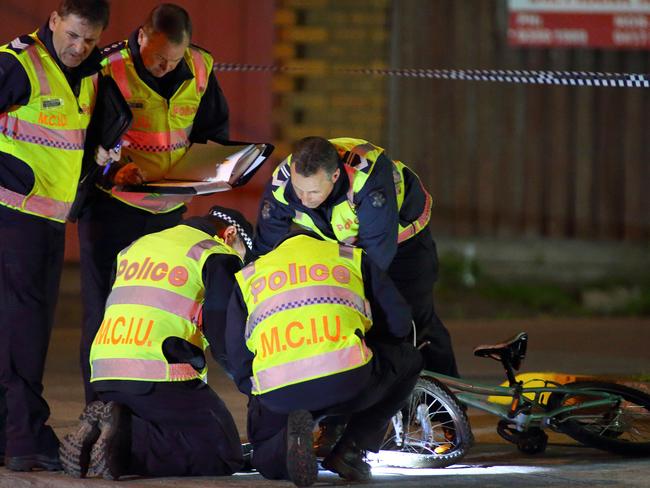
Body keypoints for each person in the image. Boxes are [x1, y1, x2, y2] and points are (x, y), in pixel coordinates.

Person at [77, 2, 231, 404]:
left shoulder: (199, 66)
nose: (164, 67)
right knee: (105, 312)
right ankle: (100, 409)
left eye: (173, 60)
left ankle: (157, 404)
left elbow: (213, 130)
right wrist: (113, 171)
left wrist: (215, 168)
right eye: (158, 58)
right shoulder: (107, 66)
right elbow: (84, 138)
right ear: (141, 36)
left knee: (164, 311)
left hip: (167, 211)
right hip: (112, 208)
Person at [60, 206, 252, 480]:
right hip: (159, 372)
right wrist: (251, 379)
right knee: (223, 452)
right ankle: (125, 444)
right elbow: (225, 335)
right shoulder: (216, 253)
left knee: (173, 429)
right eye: (244, 253)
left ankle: (107, 431)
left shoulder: (137, 247)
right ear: (231, 234)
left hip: (105, 372)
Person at [0, 0, 111, 471]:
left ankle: (13, 434)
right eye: (72, 35)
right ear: (53, 21)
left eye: (89, 39)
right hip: (11, 213)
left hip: (44, 219)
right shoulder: (18, 62)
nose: (78, 47)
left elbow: (67, 142)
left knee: (22, 328)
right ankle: (23, 438)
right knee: (22, 330)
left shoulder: (89, 73)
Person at [226, 230, 424, 486]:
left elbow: (237, 354)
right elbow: (398, 322)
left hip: (279, 391)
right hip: (347, 381)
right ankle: (351, 450)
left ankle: (284, 447)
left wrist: (258, 395)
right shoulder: (348, 257)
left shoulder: (250, 275)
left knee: (264, 447)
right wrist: (371, 344)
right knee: (410, 360)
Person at [254, 136, 458, 377]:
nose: (303, 200)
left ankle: (448, 401)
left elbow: (378, 253)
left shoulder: (368, 178)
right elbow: (265, 248)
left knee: (414, 320)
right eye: (299, 189)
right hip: (345, 245)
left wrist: (351, 295)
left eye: (313, 192)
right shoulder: (284, 182)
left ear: (335, 177)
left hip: (403, 243)